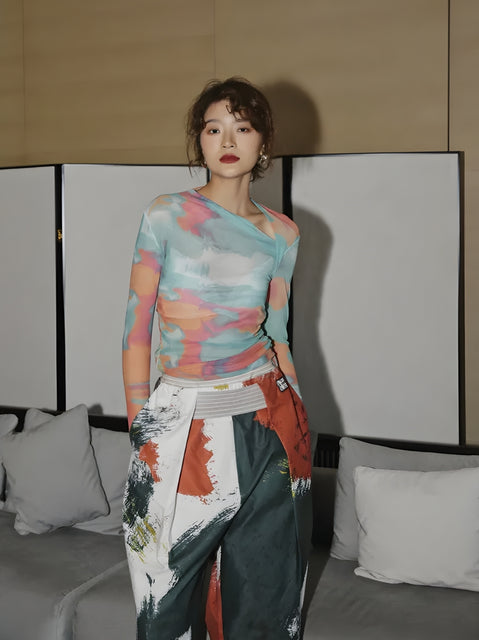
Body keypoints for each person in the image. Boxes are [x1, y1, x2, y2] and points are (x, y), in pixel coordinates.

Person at [122, 77, 312, 640]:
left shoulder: (283, 233)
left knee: (264, 598)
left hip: (268, 422)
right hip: (181, 423)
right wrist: (141, 427)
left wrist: (300, 417)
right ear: (199, 141)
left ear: (263, 142)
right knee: (162, 595)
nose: (227, 140)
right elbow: (135, 329)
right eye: (213, 128)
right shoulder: (165, 215)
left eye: (242, 127)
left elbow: (277, 335)